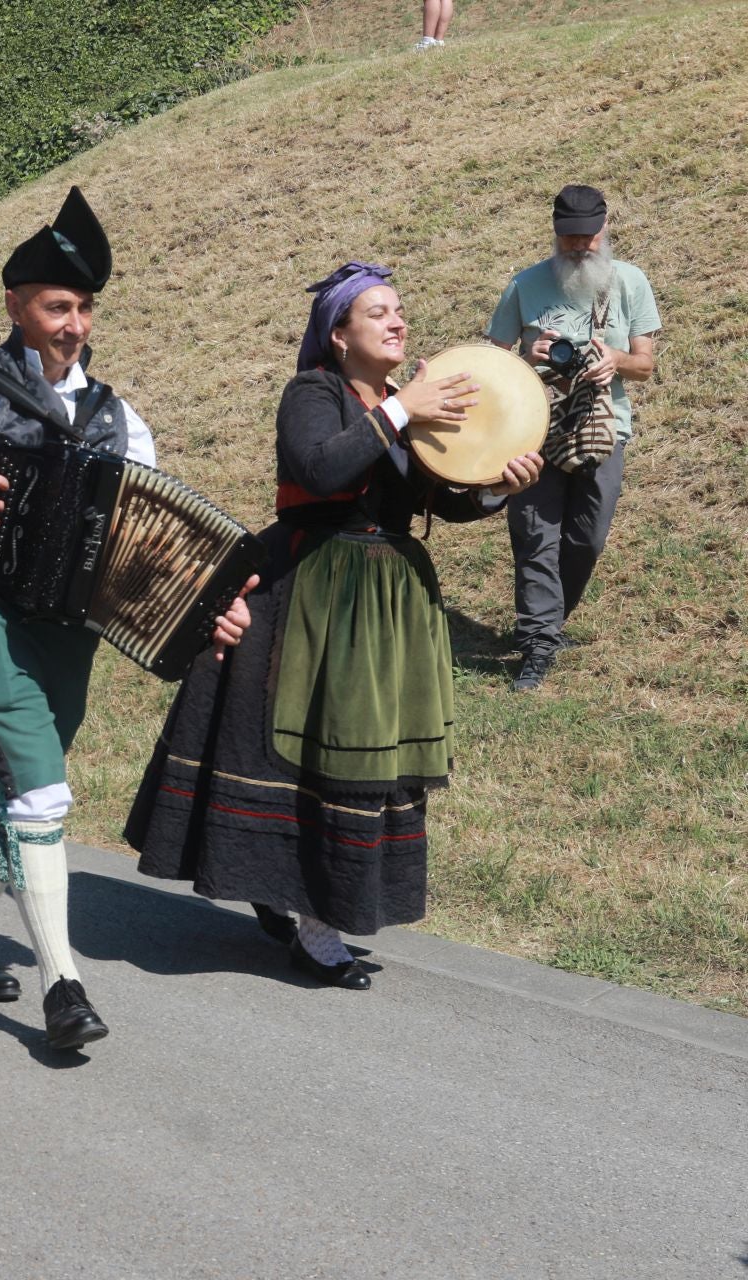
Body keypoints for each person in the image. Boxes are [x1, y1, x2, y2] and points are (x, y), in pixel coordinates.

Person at [125, 263, 541, 989]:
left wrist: (498, 489)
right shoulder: (313, 393)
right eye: (378, 313)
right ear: (339, 335)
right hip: (309, 586)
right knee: (308, 749)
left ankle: (309, 901)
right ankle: (311, 920)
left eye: (400, 310)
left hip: (385, 597)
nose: (397, 322)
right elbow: (318, 469)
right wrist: (402, 410)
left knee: (361, 754)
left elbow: (437, 502)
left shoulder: (401, 402)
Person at [0, 186, 250, 1052]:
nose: (74, 323)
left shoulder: (119, 422)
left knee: (20, 786)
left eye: (85, 307)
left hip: (70, 631)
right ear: (15, 304)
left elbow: (146, 544)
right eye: (59, 306)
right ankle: (65, 987)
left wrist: (204, 609)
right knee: (43, 791)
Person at [488, 185, 660, 691]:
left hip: (604, 429)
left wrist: (616, 360)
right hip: (531, 430)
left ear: (605, 229)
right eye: (569, 238)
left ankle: (550, 619)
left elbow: (645, 363)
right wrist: (529, 358)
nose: (580, 246)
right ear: (555, 234)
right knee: (535, 534)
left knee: (587, 537)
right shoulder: (523, 286)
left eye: (588, 236)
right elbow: (491, 364)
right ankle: (539, 641)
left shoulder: (629, 282)